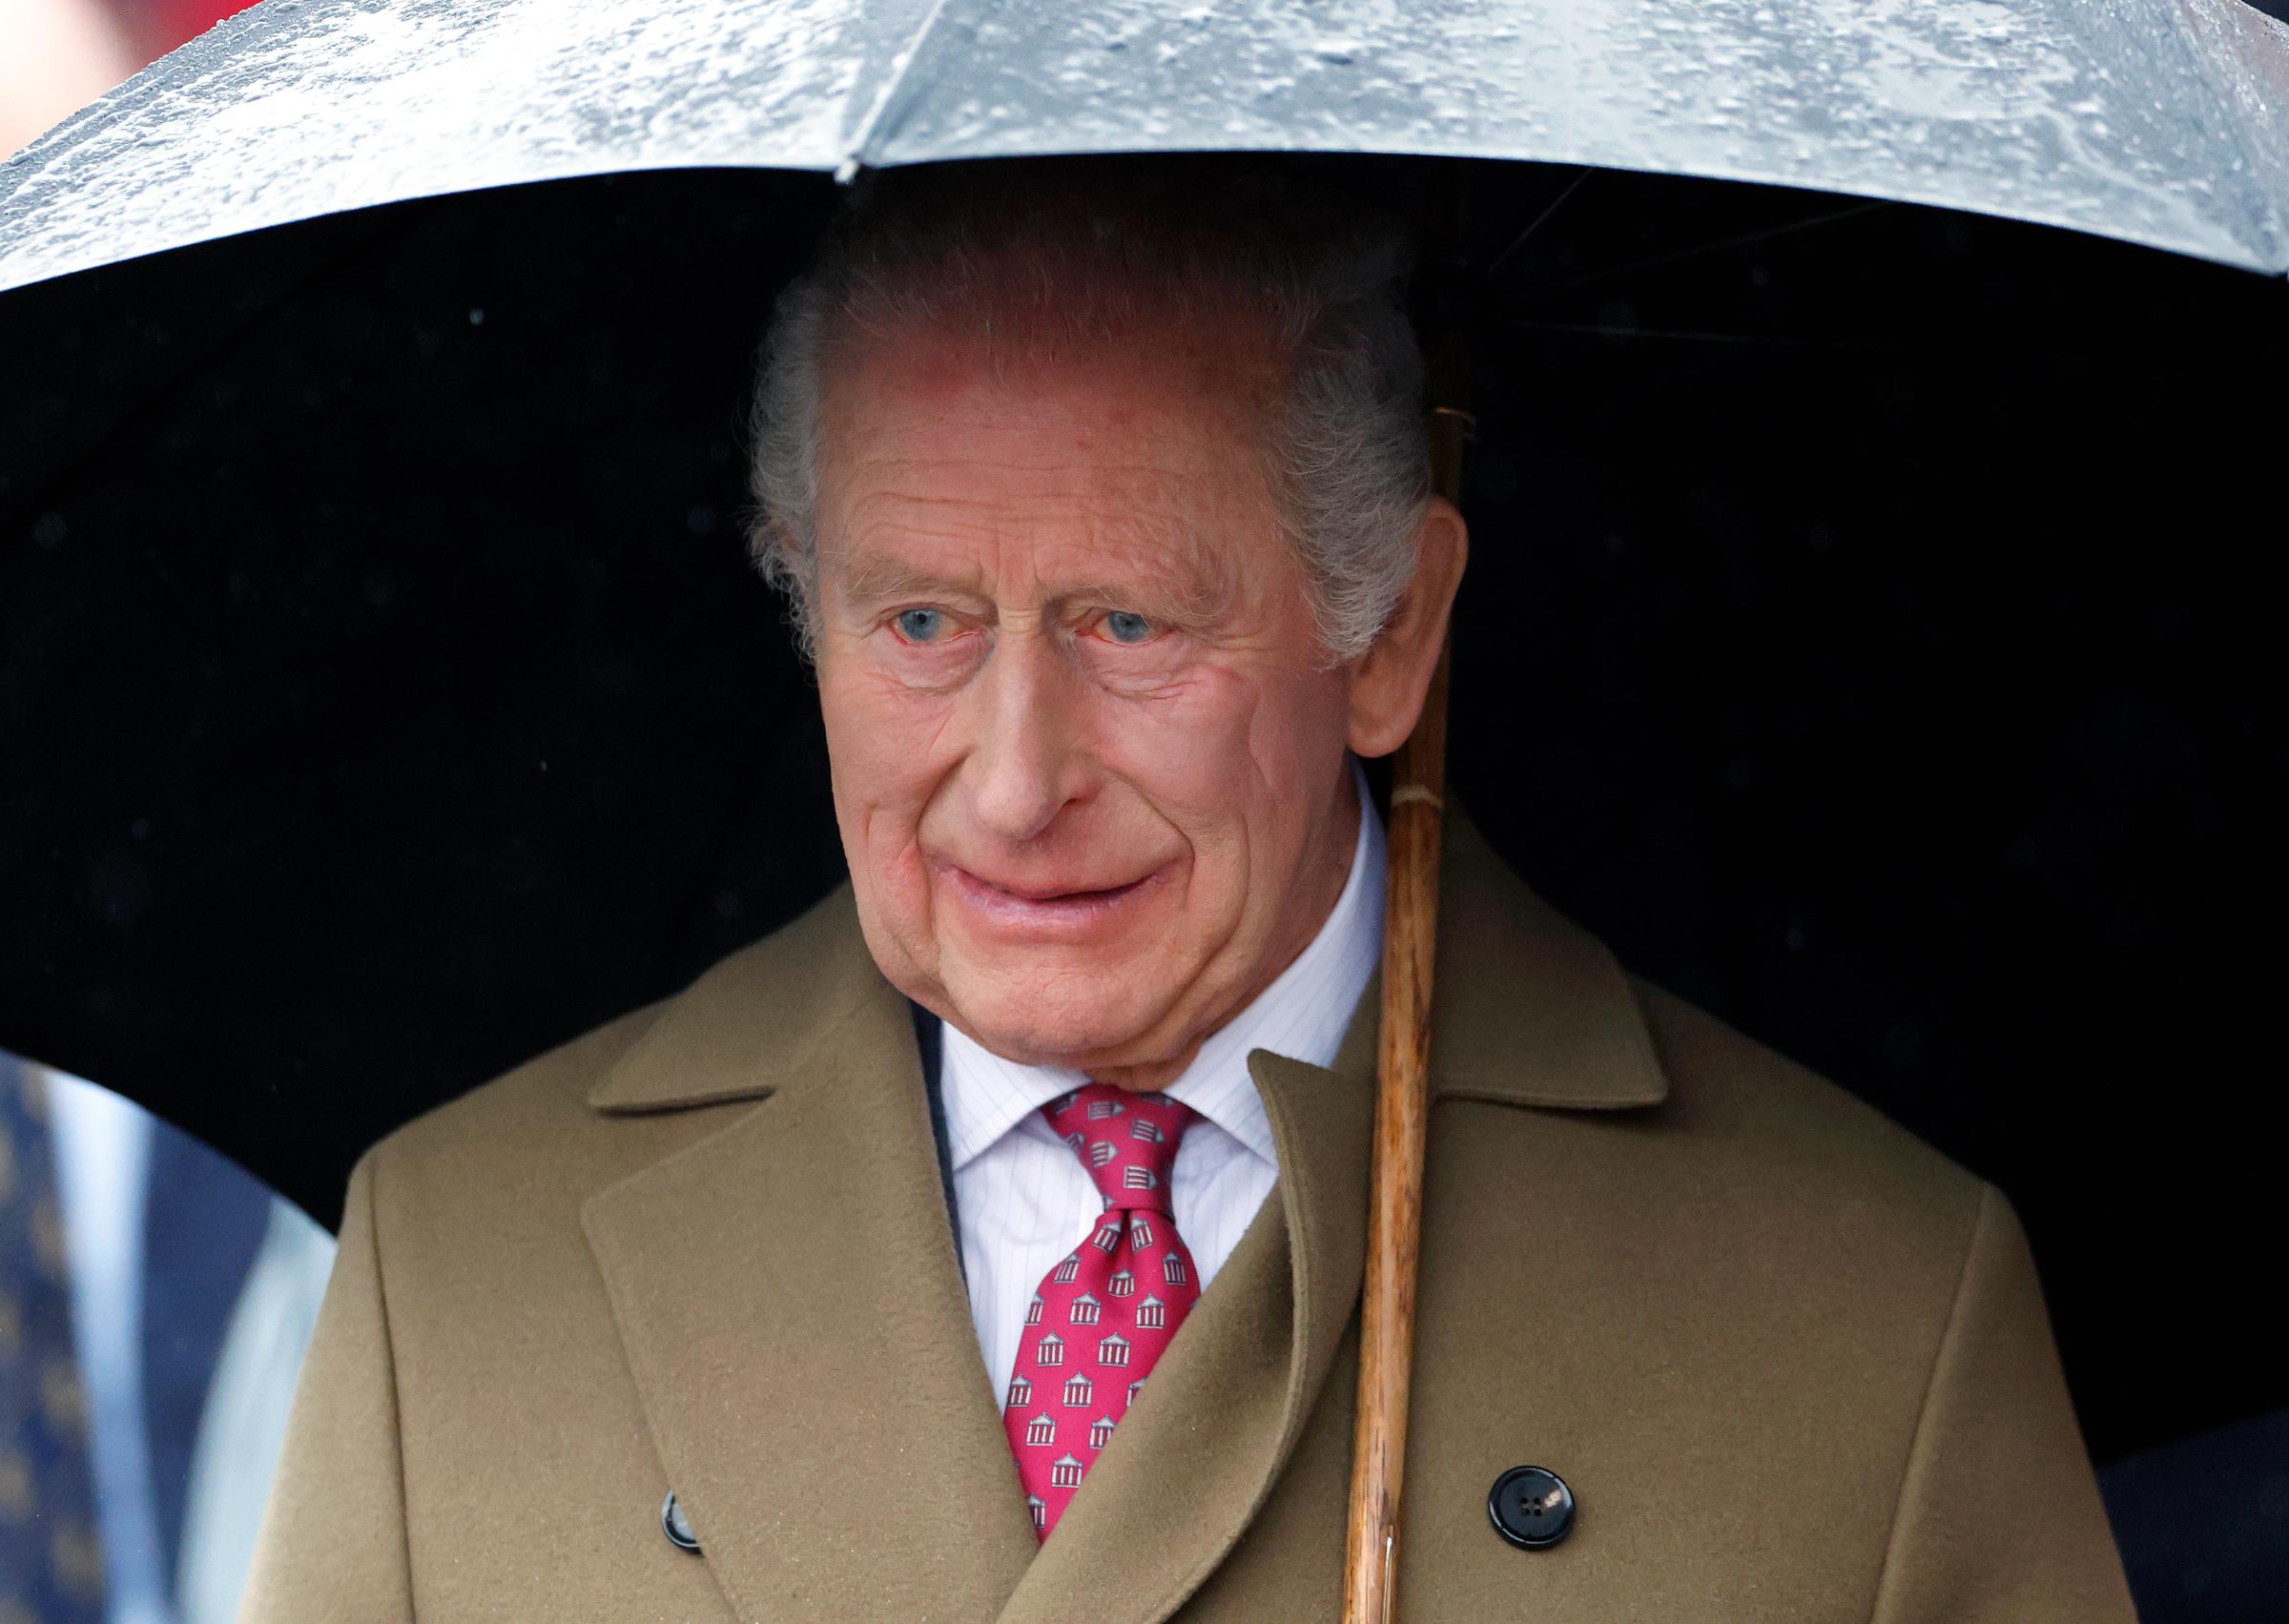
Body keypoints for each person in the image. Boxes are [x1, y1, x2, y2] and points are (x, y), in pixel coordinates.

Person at [238, 162, 2134, 1622]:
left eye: (1129, 624)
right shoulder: (461, 1270)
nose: (1012, 780)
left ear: (1391, 635)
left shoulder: (1867, 1312)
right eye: (918, 623)